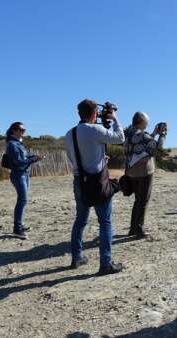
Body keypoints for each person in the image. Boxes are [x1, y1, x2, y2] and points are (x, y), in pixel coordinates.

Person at [65, 99, 125, 275]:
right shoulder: (95, 130)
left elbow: (72, 158)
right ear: (94, 114)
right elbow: (120, 138)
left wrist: (98, 159)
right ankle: (105, 264)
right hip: (97, 182)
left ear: (79, 113)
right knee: (105, 222)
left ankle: (76, 257)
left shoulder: (70, 133)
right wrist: (114, 118)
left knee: (80, 220)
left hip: (79, 180)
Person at [123, 112, 167, 239]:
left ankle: (133, 228)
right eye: (146, 121)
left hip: (131, 172)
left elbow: (144, 143)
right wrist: (163, 134)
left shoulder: (130, 134)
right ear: (142, 121)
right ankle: (139, 229)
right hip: (144, 172)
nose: (147, 124)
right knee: (143, 201)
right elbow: (158, 147)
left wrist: (153, 133)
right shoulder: (142, 135)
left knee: (138, 201)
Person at [5, 122, 42, 240]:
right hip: (18, 174)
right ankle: (17, 229)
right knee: (22, 200)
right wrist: (34, 159)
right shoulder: (12, 144)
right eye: (21, 130)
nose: (23, 132)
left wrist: (34, 157)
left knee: (23, 200)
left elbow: (24, 159)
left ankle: (19, 225)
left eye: (24, 129)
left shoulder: (18, 144)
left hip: (24, 174)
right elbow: (20, 161)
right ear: (14, 131)